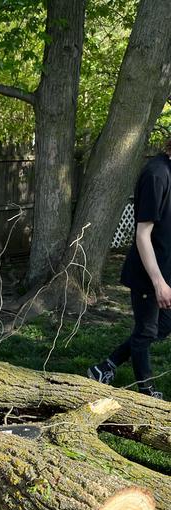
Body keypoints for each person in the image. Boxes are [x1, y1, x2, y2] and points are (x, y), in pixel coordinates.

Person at [88, 140, 171, 399]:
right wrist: (159, 283)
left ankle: (105, 367)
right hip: (149, 274)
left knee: (161, 328)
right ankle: (146, 393)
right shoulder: (156, 174)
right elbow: (142, 235)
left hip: (166, 269)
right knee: (146, 331)